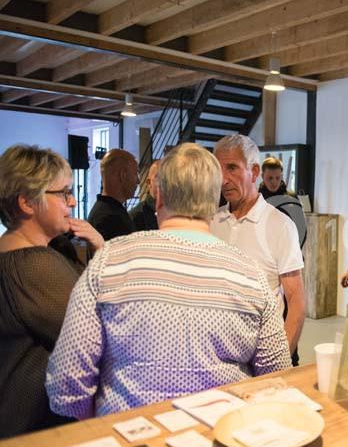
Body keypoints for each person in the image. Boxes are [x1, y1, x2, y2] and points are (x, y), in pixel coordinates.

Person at [46, 143, 291, 418]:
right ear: (213, 201)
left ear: (159, 196)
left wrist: (102, 422)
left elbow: (66, 384)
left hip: (128, 445)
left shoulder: (109, 262)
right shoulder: (251, 275)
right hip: (221, 443)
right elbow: (276, 377)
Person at [0, 145, 103, 436]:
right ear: (27, 203)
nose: (72, 201)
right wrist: (105, 250)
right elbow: (99, 328)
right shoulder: (33, 265)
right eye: (63, 193)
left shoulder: (27, 253)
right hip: (31, 427)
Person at [211, 135, 306, 366]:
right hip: (218, 361)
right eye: (218, 169)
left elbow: (296, 301)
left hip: (262, 358)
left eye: (232, 168)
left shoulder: (280, 226)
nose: (223, 180)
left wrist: (279, 362)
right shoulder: (213, 221)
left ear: (254, 172)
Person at [87, 148, 138, 240]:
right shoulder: (108, 219)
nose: (138, 181)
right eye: (135, 174)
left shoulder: (110, 211)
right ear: (123, 175)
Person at [259, 156, 308, 249]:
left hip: (288, 252)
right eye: (270, 178)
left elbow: (301, 229)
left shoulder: (291, 198)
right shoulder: (256, 199)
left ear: (281, 176)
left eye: (277, 178)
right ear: (262, 176)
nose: (274, 182)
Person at [129, 159, 160, 231]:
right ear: (149, 182)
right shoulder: (136, 217)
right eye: (159, 177)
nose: (165, 181)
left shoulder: (176, 213)